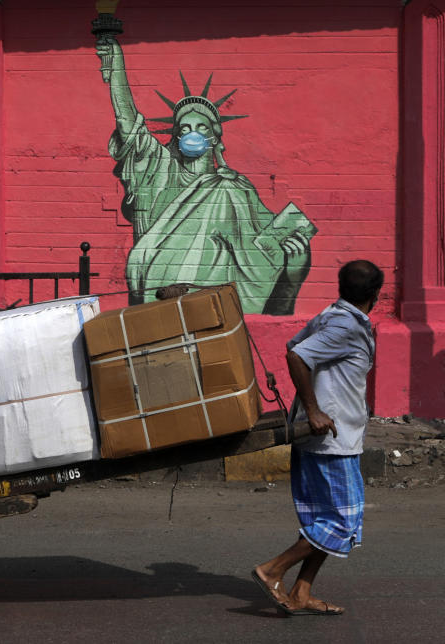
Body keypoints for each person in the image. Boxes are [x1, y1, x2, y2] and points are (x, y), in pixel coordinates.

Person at [95, 37, 317, 315]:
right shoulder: (159, 170)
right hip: (157, 306)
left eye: (201, 127)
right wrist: (117, 69)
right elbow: (130, 126)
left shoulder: (235, 189)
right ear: (175, 137)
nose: (192, 134)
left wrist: (294, 270)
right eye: (184, 128)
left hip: (212, 312)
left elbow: (263, 255)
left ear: (214, 138)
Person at [251, 259, 384, 616]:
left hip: (334, 437)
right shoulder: (344, 325)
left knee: (325, 521)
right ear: (376, 294)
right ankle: (272, 570)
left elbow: (297, 344)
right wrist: (313, 410)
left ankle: (300, 593)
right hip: (330, 440)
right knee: (342, 522)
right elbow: (297, 355)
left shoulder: (332, 316)